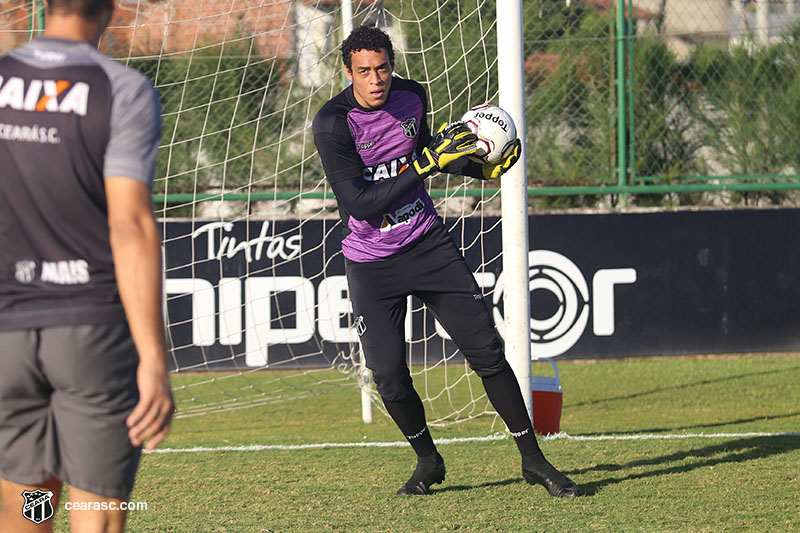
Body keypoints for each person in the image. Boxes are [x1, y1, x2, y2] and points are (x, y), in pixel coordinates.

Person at [312, 25, 582, 498]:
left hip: (429, 245)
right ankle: (428, 461)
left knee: (488, 352)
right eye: (364, 72)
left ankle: (534, 461)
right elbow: (360, 202)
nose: (376, 80)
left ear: (393, 66)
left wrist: (480, 167)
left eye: (383, 69)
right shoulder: (333, 123)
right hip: (372, 263)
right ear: (348, 72)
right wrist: (424, 165)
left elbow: (431, 152)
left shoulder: (412, 97)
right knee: (390, 377)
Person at [0, 0, 174, 530]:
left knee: (29, 504)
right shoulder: (121, 89)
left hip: (8, 336)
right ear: (112, 7)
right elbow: (130, 225)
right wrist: (153, 357)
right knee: (95, 511)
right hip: (91, 336)